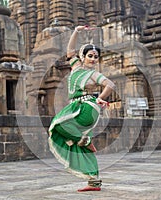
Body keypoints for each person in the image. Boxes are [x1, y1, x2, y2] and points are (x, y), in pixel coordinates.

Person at [48, 25, 115, 192]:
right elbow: (70, 50)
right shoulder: (76, 67)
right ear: (82, 57)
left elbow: (110, 85)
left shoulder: (93, 74)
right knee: (81, 147)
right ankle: (94, 182)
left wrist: (100, 98)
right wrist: (76, 32)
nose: (93, 59)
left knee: (59, 124)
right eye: (90, 56)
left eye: (96, 57)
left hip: (86, 107)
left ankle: (86, 141)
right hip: (77, 106)